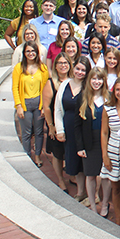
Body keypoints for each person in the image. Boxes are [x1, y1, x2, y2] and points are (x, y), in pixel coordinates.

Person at [74, 67, 109, 214]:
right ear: (89, 80)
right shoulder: (82, 98)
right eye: (94, 79)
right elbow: (76, 125)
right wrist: (80, 146)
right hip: (89, 141)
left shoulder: (110, 98)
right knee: (90, 174)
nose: (97, 82)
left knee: (106, 174)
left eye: (99, 79)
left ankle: (105, 204)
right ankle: (93, 206)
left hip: (107, 140)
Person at [55, 56, 90, 201]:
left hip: (84, 129)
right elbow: (57, 109)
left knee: (86, 163)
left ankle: (92, 193)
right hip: (69, 129)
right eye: (78, 69)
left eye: (83, 70)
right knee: (75, 162)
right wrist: (60, 130)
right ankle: (81, 192)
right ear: (73, 68)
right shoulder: (65, 85)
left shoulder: (88, 87)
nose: (80, 72)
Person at [101, 77, 120, 224]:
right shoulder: (108, 108)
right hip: (113, 150)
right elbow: (104, 133)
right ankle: (118, 219)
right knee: (116, 188)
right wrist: (105, 155)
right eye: (118, 89)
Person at [12, 41, 48, 167]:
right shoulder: (19, 68)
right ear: (24, 53)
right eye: (28, 51)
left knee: (39, 132)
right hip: (25, 103)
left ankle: (38, 155)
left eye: (33, 51)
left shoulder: (43, 68)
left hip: (38, 103)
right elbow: (15, 88)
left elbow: (45, 88)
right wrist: (18, 106)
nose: (30, 53)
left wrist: (44, 106)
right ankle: (27, 154)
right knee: (26, 132)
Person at [42, 53, 72, 190]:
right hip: (55, 123)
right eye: (60, 63)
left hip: (70, 123)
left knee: (70, 152)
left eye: (65, 63)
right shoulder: (50, 83)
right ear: (55, 66)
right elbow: (47, 107)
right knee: (58, 154)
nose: (63, 65)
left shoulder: (73, 81)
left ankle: (72, 176)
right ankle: (60, 179)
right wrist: (51, 126)